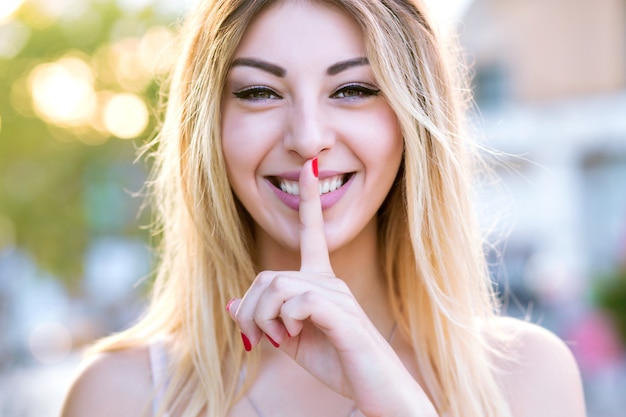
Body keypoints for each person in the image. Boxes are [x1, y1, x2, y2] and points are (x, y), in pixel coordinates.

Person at [60, 1, 587, 416]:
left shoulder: (526, 379)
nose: (308, 138)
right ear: (209, 128)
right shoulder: (118, 397)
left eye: (353, 89)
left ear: (413, 121)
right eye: (261, 92)